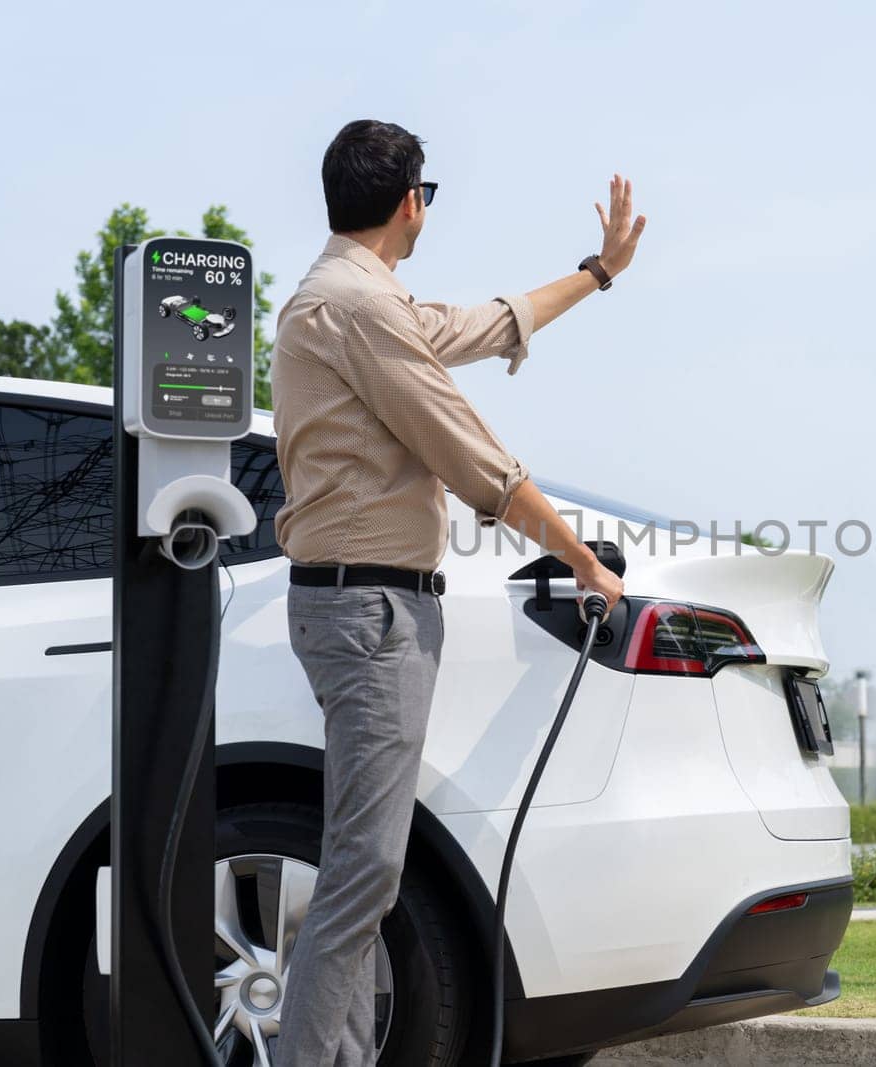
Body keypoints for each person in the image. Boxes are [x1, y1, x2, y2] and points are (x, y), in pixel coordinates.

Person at [269, 118, 644, 1067]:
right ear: (412, 203)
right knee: (364, 868)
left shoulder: (358, 300)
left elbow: (484, 322)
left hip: (365, 605)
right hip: (369, 612)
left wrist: (597, 274)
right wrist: (582, 559)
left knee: (365, 867)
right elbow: (473, 457)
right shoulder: (357, 310)